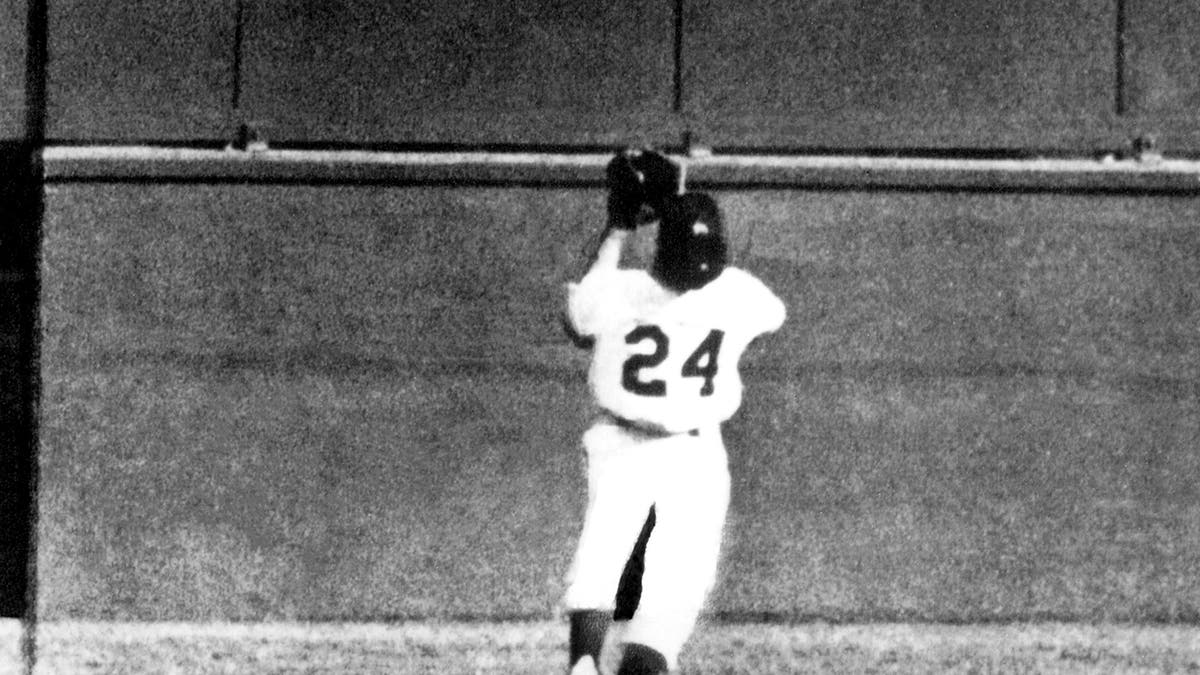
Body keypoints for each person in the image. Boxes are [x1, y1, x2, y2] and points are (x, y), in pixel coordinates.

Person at [562, 149, 787, 675]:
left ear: (661, 251)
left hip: (622, 442)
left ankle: (583, 664)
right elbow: (763, 314)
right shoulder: (738, 295)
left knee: (601, 560)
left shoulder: (623, 292)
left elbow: (576, 319)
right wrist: (678, 206)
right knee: (672, 593)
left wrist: (619, 226)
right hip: (694, 450)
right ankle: (631, 663)